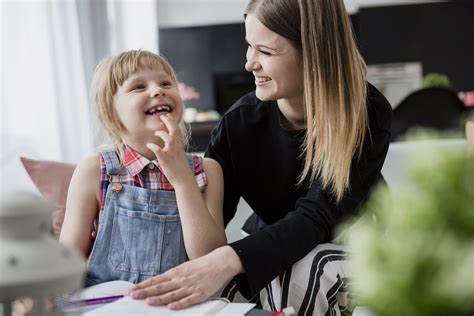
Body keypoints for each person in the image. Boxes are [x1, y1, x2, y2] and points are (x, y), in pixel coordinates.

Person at [128, 1, 392, 315]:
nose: (249, 63)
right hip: (273, 235)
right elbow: (208, 225)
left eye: (264, 52)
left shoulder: (366, 111)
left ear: (313, 54)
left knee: (302, 270)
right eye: (249, 47)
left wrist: (229, 260)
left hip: (354, 239)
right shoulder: (239, 123)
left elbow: (318, 218)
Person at [59, 50, 225, 286]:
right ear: (112, 115)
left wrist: (182, 181)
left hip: (179, 306)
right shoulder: (94, 171)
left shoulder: (207, 171)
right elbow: (66, 262)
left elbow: (210, 260)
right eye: (138, 87)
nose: (158, 90)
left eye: (166, 83)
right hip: (108, 306)